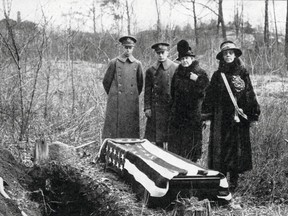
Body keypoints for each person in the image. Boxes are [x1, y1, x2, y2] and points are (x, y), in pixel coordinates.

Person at [202, 40, 260, 191]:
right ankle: (221, 181)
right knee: (220, 150)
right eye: (225, 54)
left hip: (237, 118)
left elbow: (249, 93)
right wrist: (207, 116)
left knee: (236, 151)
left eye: (230, 53)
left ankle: (234, 183)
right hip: (220, 118)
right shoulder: (217, 75)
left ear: (235, 55)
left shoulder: (242, 72)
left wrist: (253, 115)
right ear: (222, 57)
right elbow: (209, 96)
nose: (228, 56)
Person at [168, 39, 209, 162]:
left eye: (187, 58)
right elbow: (173, 93)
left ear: (191, 59)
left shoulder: (200, 73)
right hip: (178, 115)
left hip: (193, 115)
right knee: (178, 146)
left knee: (192, 145)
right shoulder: (177, 73)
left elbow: (207, 92)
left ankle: (193, 165)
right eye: (182, 59)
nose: (185, 61)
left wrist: (197, 80)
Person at [102, 36, 144, 140]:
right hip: (116, 102)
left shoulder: (137, 64)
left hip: (131, 102)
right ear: (122, 47)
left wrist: (132, 95)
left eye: (130, 47)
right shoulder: (114, 62)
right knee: (114, 133)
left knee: (130, 131)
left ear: (133, 48)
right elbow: (106, 82)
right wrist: (114, 94)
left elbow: (140, 84)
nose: (128, 50)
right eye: (126, 47)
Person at [144, 42, 178, 148]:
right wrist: (147, 107)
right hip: (156, 108)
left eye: (163, 52)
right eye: (158, 53)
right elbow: (147, 91)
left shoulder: (175, 68)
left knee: (172, 136)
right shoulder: (151, 70)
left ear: (167, 52)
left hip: (171, 107)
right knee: (157, 138)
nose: (161, 55)